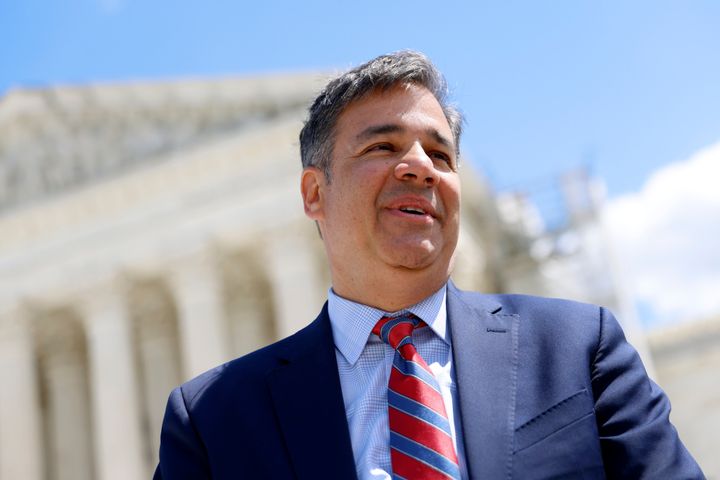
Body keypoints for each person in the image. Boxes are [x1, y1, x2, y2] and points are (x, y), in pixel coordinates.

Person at [154, 51, 704, 479]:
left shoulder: (578, 349)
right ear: (314, 193)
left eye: (440, 155)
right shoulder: (213, 419)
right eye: (383, 147)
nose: (419, 167)